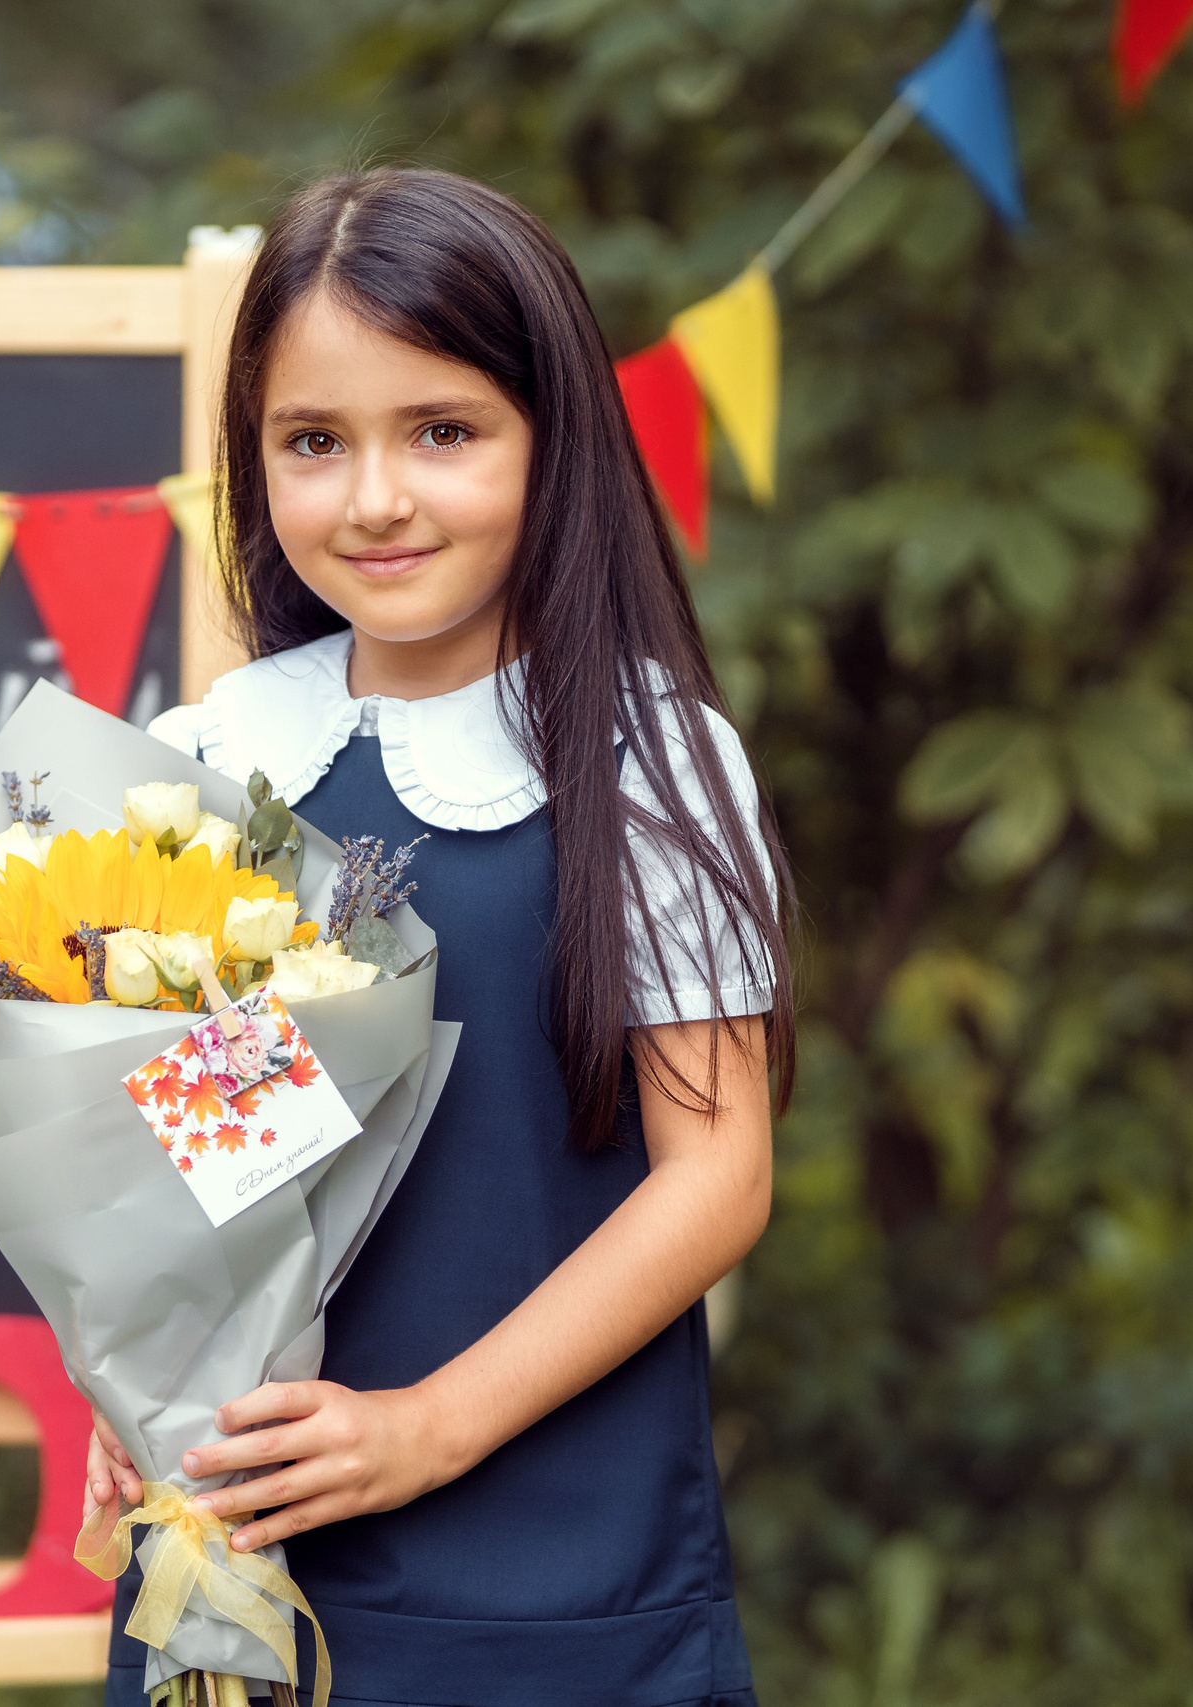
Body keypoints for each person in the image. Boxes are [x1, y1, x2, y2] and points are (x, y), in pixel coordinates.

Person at [90, 165, 796, 1707]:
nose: (376, 498)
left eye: (443, 432)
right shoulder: (209, 758)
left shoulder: (641, 760)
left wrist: (428, 1426)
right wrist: (136, 1381)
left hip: (556, 1583)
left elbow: (719, 1178)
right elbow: (209, 1161)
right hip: (248, 1558)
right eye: (314, 443)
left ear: (557, 441)